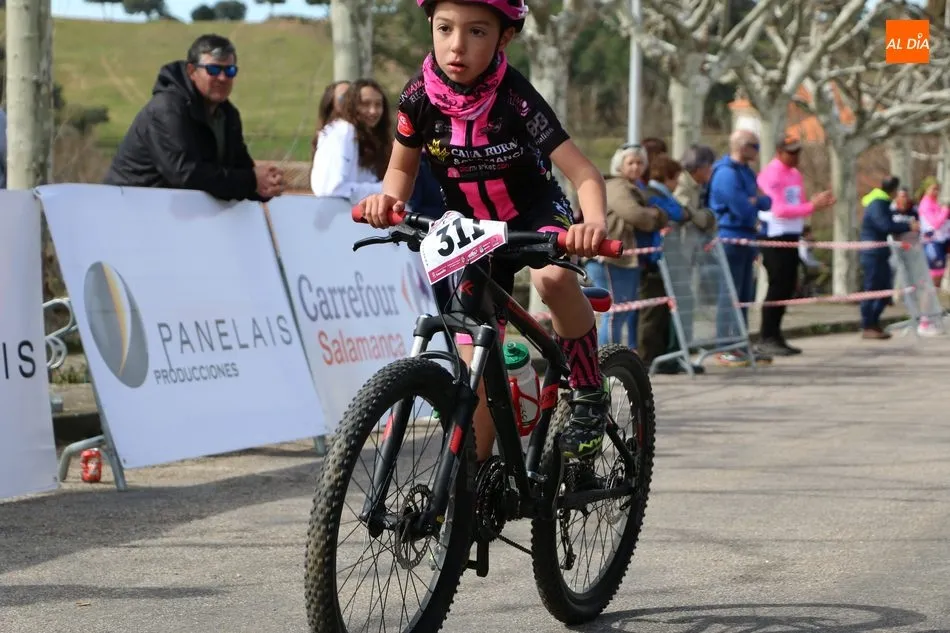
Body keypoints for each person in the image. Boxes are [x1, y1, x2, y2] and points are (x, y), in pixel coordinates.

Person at [358, 0, 611, 461]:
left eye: (476, 32)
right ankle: (474, 483)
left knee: (553, 279)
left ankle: (589, 391)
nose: (457, 46)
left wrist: (592, 223)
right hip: (472, 228)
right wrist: (388, 200)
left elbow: (585, 174)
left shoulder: (516, 98)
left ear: (504, 37)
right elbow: (401, 169)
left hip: (533, 213)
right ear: (430, 26)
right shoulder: (417, 96)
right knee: (472, 365)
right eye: (445, 28)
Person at [104, 34, 283, 201]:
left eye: (230, 71)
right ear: (191, 71)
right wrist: (252, 181)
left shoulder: (228, 115)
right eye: (213, 69)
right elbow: (184, 174)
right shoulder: (167, 109)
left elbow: (238, 172)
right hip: (127, 206)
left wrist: (265, 186)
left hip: (179, 212)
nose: (222, 78)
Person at [754, 135, 835, 356]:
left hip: (791, 234)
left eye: (798, 152)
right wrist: (811, 206)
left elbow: (796, 205)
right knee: (777, 285)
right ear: (779, 152)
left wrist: (813, 204)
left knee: (788, 285)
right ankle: (766, 335)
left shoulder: (795, 174)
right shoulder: (771, 174)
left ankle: (776, 334)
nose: (795, 157)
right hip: (774, 235)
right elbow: (778, 209)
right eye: (791, 153)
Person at [707, 129, 773, 366]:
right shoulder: (726, 173)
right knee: (729, 295)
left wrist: (755, 200)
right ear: (742, 147)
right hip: (730, 239)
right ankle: (724, 345)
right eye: (755, 146)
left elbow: (767, 201)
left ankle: (740, 343)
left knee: (745, 296)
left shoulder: (746, 172)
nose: (758, 151)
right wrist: (753, 201)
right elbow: (741, 208)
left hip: (747, 239)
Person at [586, 143, 654, 349]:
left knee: (623, 310)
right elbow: (635, 215)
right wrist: (656, 216)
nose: (636, 167)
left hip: (625, 259)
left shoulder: (636, 187)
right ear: (619, 165)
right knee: (613, 312)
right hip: (609, 258)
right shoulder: (617, 186)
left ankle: (613, 356)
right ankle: (607, 357)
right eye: (630, 162)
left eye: (640, 162)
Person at [310, 78, 392, 202]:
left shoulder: (367, 137)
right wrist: (383, 189)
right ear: (352, 105)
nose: (373, 111)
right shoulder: (343, 131)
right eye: (365, 104)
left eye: (378, 104)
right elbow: (332, 189)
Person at [858, 176, 917, 340]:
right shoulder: (877, 203)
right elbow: (884, 225)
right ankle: (868, 325)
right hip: (872, 252)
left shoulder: (882, 202)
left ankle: (874, 322)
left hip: (880, 252)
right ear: (894, 190)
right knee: (872, 288)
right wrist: (907, 226)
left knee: (885, 289)